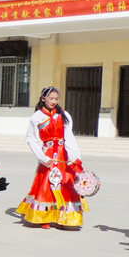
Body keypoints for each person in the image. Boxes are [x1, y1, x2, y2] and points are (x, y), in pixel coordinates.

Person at [16, 86, 87, 229]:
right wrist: (42, 157)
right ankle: (44, 218)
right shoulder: (36, 117)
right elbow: (31, 138)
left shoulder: (64, 115)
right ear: (43, 99)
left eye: (56, 99)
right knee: (46, 185)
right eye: (51, 98)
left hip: (63, 154)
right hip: (47, 153)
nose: (54, 101)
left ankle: (62, 217)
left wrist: (74, 157)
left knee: (65, 184)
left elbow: (69, 137)